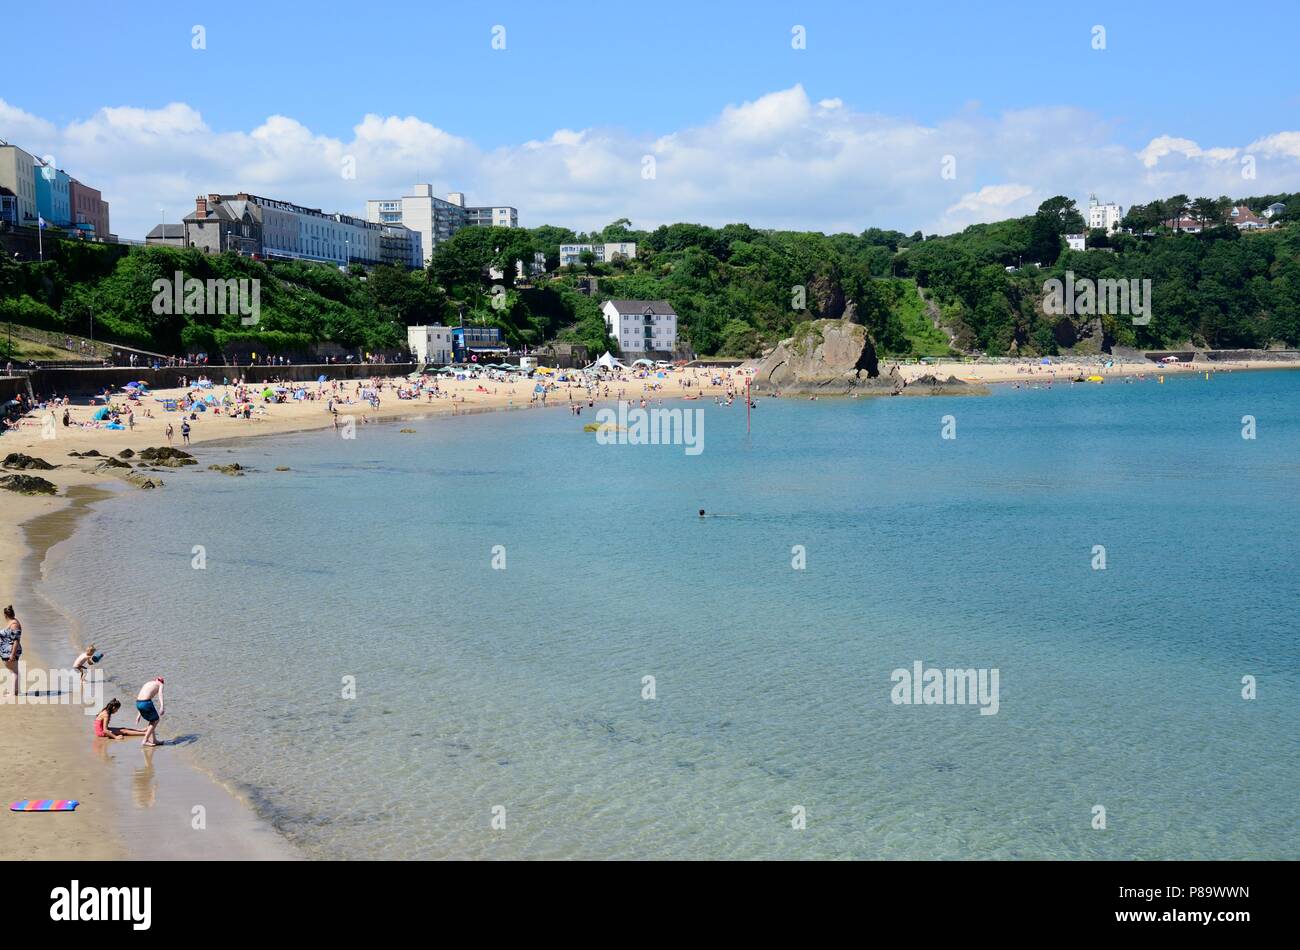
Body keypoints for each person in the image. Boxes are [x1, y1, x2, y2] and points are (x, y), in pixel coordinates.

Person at [134, 677, 165, 747]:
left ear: (155, 679)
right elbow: (160, 694)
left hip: (138, 703)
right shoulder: (160, 684)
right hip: (145, 703)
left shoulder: (148, 683)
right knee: (156, 720)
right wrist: (162, 706)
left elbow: (141, 697)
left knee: (152, 720)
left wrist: (138, 715)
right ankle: (145, 740)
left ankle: (154, 740)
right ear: (162, 682)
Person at [0, 605, 21, 697]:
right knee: (13, 671)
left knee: (14, 672)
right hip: (6, 651)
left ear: (5, 615)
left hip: (11, 651)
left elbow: (16, 640)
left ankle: (13, 693)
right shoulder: (12, 622)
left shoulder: (14, 624)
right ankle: (14, 691)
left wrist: (12, 654)